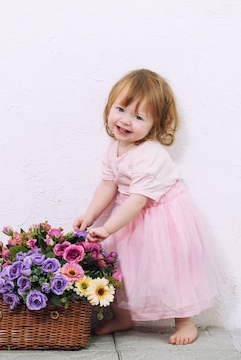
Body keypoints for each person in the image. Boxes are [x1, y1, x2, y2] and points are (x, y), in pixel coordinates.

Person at [74, 69, 220, 345]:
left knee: (171, 268)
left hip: (161, 218)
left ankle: (185, 321)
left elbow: (138, 199)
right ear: (110, 107)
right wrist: (91, 216)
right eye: (121, 109)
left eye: (138, 117)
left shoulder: (149, 154)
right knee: (122, 267)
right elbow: (108, 185)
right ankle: (123, 316)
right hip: (129, 216)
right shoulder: (113, 147)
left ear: (156, 124)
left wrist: (107, 227)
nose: (126, 121)